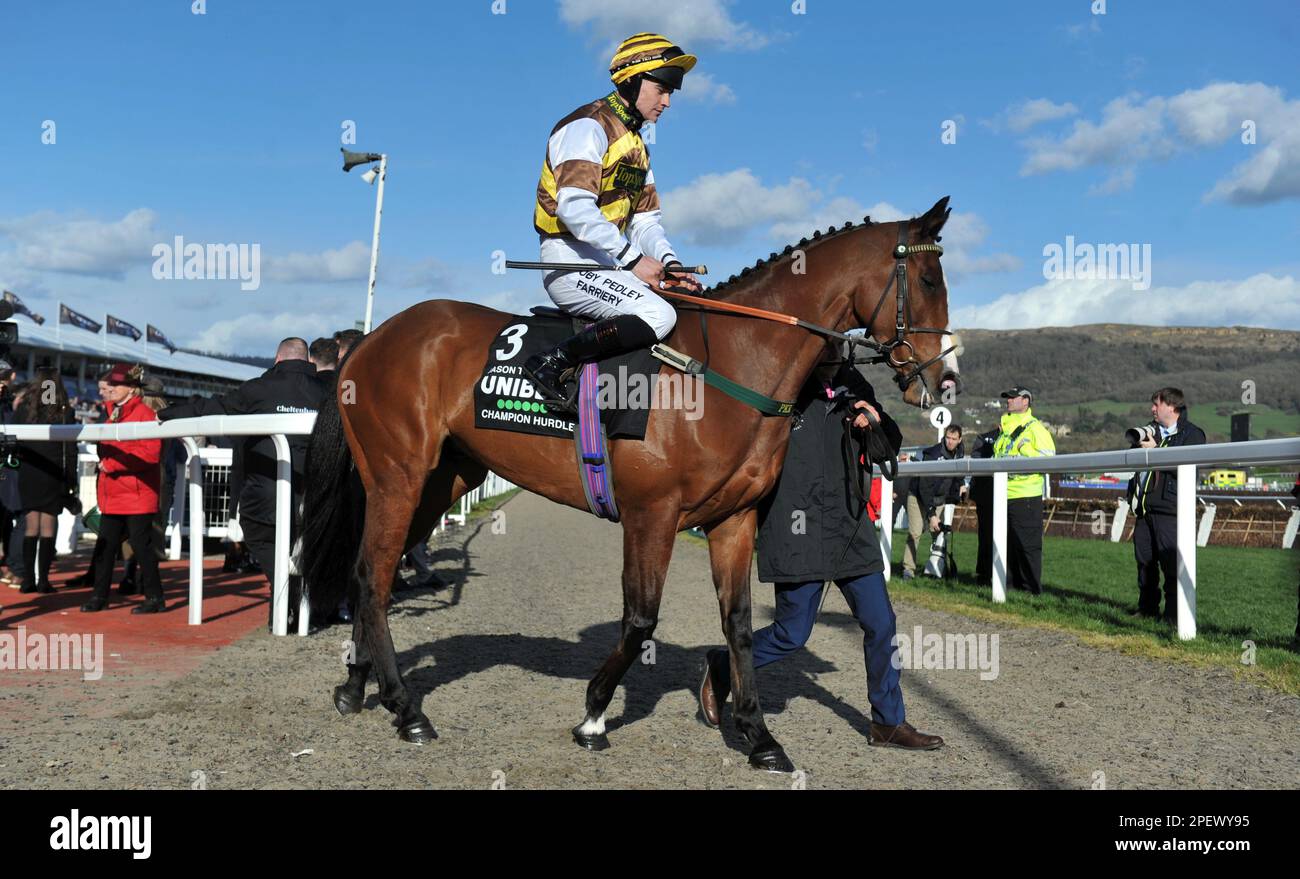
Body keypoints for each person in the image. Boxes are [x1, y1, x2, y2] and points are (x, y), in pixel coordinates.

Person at [696, 358, 944, 751]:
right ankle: (722, 666)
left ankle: (888, 723)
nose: (833, 352)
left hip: (849, 527)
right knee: (791, 635)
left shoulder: (853, 382)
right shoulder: (782, 380)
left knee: (881, 623)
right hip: (797, 528)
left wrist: (874, 418)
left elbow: (890, 444)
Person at [523, 32, 703, 402]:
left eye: (673, 92)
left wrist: (669, 263)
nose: (667, 101)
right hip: (568, 262)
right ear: (633, 79)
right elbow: (574, 209)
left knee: (682, 305)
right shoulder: (586, 126)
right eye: (662, 89)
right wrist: (633, 259)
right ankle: (552, 363)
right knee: (660, 316)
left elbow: (645, 221)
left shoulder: (638, 145)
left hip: (608, 264)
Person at [158, 337, 326, 628]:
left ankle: (286, 595)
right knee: (297, 546)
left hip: (263, 492)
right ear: (308, 361)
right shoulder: (327, 393)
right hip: (312, 493)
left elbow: (214, 408)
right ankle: (294, 600)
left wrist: (167, 412)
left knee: (260, 537)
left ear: (276, 360)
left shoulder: (258, 389)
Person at [81, 364, 166, 614]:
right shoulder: (114, 412)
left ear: (131, 389)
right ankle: (100, 596)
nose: (109, 390)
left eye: (115, 385)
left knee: (142, 547)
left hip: (137, 494)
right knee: (106, 547)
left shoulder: (144, 414)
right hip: (115, 493)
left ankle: (154, 597)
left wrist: (112, 465)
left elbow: (150, 454)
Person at [1125, 387, 1206, 622]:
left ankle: (1173, 616)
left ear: (1172, 407)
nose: (1151, 409)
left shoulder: (1192, 434)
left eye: (1156, 404)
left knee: (1172, 566)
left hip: (1171, 511)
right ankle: (1147, 609)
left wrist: (1157, 451)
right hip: (1144, 509)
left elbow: (1191, 469)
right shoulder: (1148, 431)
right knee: (1145, 563)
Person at [13, 368, 78, 594]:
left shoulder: (23, 408)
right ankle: (43, 581)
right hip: (52, 473)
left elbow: (13, 441)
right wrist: (71, 479)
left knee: (31, 526)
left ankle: (28, 579)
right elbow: (70, 449)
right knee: (48, 527)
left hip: (30, 471)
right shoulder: (63, 411)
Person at [993, 386, 1055, 595]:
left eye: (1013, 397)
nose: (1008, 401)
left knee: (1027, 545)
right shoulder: (1006, 430)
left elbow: (1048, 459)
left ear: (1026, 401)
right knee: (1006, 544)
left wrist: (1022, 454)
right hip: (1004, 494)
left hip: (1026, 494)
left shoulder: (1035, 429)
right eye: (1007, 397)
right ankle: (1009, 586)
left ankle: (1032, 589)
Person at [902, 424, 967, 579]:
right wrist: (931, 514)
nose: (950, 442)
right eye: (948, 438)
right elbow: (925, 487)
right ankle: (908, 570)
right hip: (918, 494)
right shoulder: (933, 454)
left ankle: (936, 569)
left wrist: (962, 485)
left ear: (960, 440)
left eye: (954, 439)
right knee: (916, 532)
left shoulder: (960, 452)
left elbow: (957, 474)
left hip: (940, 498)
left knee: (938, 533)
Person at [967, 428, 1000, 586]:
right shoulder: (984, 438)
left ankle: (1000, 575)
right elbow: (976, 461)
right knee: (986, 536)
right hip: (986, 495)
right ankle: (984, 575)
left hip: (1004, 494)